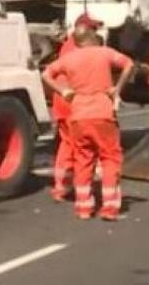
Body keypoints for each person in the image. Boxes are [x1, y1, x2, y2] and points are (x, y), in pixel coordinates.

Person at [42, 25, 134, 221]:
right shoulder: (104, 53)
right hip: (102, 113)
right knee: (109, 158)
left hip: (78, 114)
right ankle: (109, 207)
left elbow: (46, 75)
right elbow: (129, 64)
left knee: (83, 160)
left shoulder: (68, 59)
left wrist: (63, 91)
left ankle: (84, 207)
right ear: (92, 37)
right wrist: (117, 88)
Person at [49, 13, 104, 202]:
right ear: (84, 29)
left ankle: (61, 186)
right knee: (81, 147)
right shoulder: (81, 50)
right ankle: (80, 189)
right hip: (74, 103)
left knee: (67, 144)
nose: (96, 32)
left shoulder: (68, 46)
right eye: (93, 28)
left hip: (63, 102)